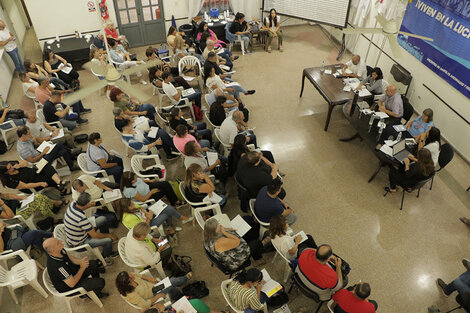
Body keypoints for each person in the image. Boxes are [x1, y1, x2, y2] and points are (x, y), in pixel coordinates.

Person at [43, 237, 108, 298]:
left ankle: (92, 287)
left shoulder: (60, 250)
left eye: (58, 240)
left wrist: (80, 262)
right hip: (69, 287)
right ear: (53, 251)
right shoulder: (58, 266)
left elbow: (70, 257)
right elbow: (72, 283)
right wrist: (82, 268)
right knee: (101, 282)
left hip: (72, 273)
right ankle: (89, 294)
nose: (61, 241)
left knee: (93, 264)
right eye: (58, 243)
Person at [63, 192, 118, 264]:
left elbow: (86, 222)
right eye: (90, 202)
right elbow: (94, 235)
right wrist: (110, 236)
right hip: (80, 242)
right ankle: (106, 255)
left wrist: (90, 206)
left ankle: (106, 236)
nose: (92, 202)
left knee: (103, 219)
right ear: (86, 204)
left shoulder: (73, 204)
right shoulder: (80, 218)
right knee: (108, 240)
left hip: (78, 232)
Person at [115, 270, 190, 310]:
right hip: (152, 295)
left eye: (130, 274)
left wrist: (150, 279)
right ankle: (185, 278)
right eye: (131, 277)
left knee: (171, 285)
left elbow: (139, 275)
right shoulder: (131, 294)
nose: (133, 275)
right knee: (172, 281)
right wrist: (158, 296)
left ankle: (180, 296)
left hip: (152, 287)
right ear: (128, 283)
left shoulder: (129, 276)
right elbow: (145, 305)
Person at [114, 198, 189, 236]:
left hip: (147, 216)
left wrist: (147, 213)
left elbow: (141, 208)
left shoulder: (131, 207)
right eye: (132, 204)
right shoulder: (129, 219)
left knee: (167, 208)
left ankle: (178, 220)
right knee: (166, 214)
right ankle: (171, 227)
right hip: (148, 226)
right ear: (126, 208)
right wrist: (149, 218)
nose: (134, 204)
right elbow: (142, 228)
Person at [120, 171, 185, 207]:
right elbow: (142, 199)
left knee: (165, 183)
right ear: (131, 182)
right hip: (148, 197)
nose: (136, 178)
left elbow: (140, 180)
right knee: (164, 190)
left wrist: (149, 181)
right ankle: (175, 202)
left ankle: (173, 199)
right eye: (135, 178)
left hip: (147, 186)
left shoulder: (134, 180)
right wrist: (152, 192)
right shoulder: (130, 191)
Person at [0, 159, 68, 194]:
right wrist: (40, 183)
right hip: (31, 184)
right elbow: (26, 186)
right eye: (10, 168)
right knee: (48, 176)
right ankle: (61, 188)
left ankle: (59, 183)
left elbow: (25, 162)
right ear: (5, 172)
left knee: (46, 166)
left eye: (11, 165)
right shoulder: (8, 181)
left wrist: (19, 165)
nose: (12, 166)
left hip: (33, 172)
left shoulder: (12, 164)